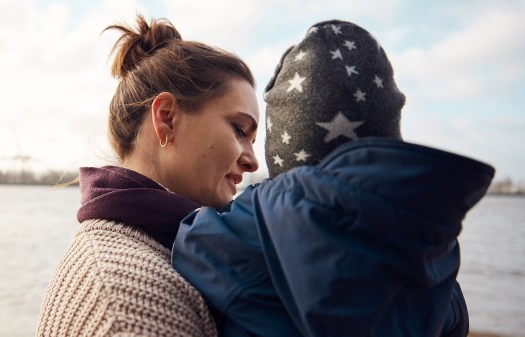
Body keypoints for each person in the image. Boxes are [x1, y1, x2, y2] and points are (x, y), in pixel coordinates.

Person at [172, 20, 495, 337]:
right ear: (390, 141)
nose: (252, 160)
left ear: (284, 148)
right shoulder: (436, 254)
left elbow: (191, 243)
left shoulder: (226, 235)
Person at [36, 14, 260, 337]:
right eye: (239, 130)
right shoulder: (127, 303)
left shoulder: (139, 250)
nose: (252, 161)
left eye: (253, 141)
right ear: (166, 118)